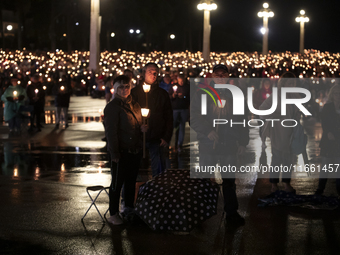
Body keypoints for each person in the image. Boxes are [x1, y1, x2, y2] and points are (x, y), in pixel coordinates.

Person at [190, 64, 249, 226]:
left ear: (228, 76)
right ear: (213, 76)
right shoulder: (202, 93)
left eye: (224, 74)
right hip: (209, 144)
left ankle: (231, 213)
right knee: (204, 180)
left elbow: (243, 120)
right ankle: (200, 212)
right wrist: (208, 131)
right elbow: (194, 116)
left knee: (229, 181)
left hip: (229, 143)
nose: (221, 77)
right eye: (218, 74)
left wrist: (243, 142)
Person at [104, 75, 147, 225]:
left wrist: (142, 128)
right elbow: (111, 132)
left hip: (134, 150)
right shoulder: (112, 107)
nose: (124, 89)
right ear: (115, 88)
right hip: (121, 152)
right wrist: (114, 152)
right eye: (121, 87)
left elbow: (136, 124)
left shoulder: (134, 104)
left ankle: (129, 208)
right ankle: (113, 213)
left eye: (127, 86)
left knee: (130, 182)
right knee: (117, 183)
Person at [260, 72, 301, 194]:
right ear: (283, 83)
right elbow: (262, 110)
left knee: (289, 158)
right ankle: (274, 184)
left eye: (293, 83)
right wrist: (275, 115)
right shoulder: (276, 96)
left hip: (291, 131)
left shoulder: (296, 95)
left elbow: (297, 112)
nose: (292, 85)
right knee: (277, 158)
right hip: (278, 131)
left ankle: (286, 183)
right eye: (289, 83)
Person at [131, 63, 173, 177]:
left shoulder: (162, 94)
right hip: (138, 137)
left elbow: (168, 116)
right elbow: (129, 115)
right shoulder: (134, 93)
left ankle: (157, 191)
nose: (153, 74)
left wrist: (166, 137)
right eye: (150, 71)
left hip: (157, 137)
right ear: (144, 73)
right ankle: (136, 192)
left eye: (155, 72)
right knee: (136, 171)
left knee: (158, 170)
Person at [315, 84, 340, 196]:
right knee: (325, 166)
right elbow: (324, 122)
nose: (338, 96)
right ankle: (320, 189)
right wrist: (329, 132)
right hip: (329, 141)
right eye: (336, 93)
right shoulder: (327, 107)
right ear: (332, 95)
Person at [168, 74, 190, 152]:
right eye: (179, 81)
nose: (181, 83)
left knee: (182, 126)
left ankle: (179, 144)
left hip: (184, 108)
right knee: (172, 126)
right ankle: (169, 142)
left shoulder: (187, 87)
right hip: (175, 109)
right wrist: (173, 95)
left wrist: (183, 96)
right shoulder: (173, 87)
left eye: (182, 81)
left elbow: (189, 98)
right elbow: (169, 96)